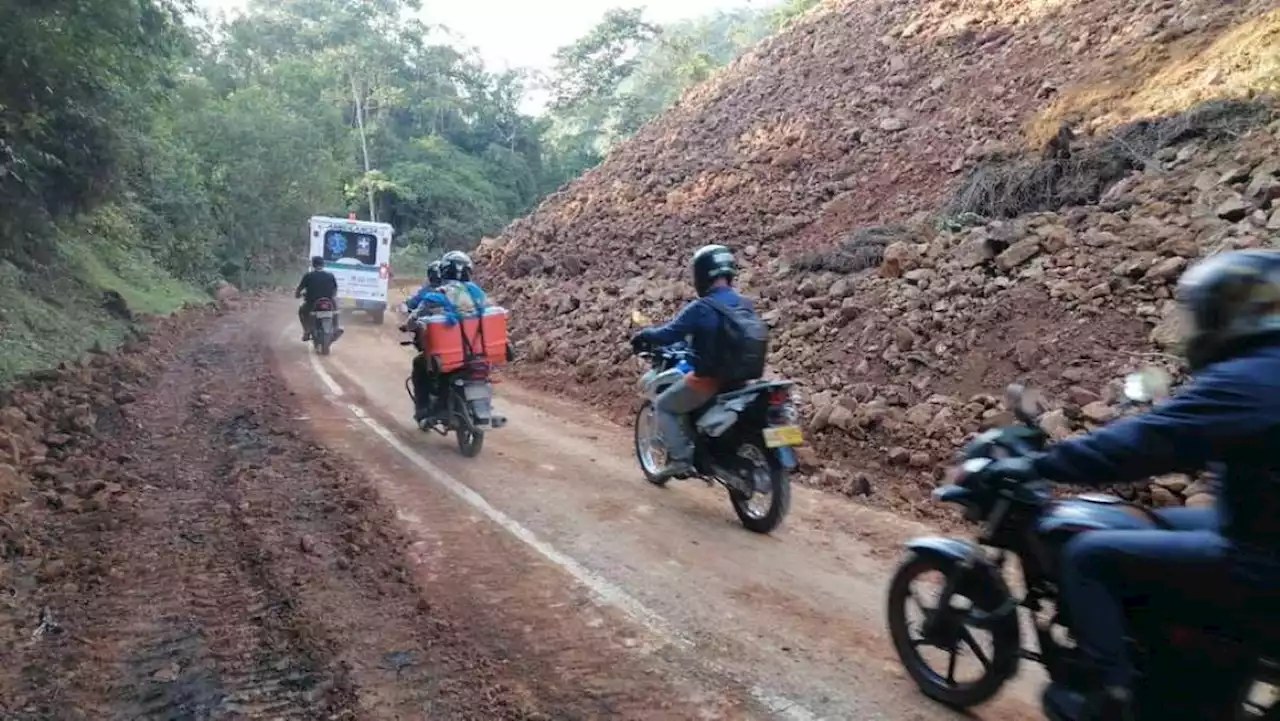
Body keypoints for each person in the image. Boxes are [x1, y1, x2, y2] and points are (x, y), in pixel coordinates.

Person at [971, 250, 1280, 721]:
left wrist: (1045, 463)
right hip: (1257, 522)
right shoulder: (1264, 369)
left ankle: (1106, 695)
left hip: (1262, 559)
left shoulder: (1248, 378)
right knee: (1156, 520)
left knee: (1087, 556)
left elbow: (1144, 444)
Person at [629, 244, 767, 483]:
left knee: (664, 405)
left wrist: (644, 336)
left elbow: (668, 333)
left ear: (701, 274)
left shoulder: (701, 308)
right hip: (741, 382)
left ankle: (681, 458)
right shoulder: (746, 304)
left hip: (708, 381)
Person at [295, 255, 340, 342]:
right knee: (335, 311)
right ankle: (336, 328)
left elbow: (300, 288)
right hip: (328, 301)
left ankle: (307, 331)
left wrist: (297, 295)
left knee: (302, 312)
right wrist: (331, 296)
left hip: (312, 303)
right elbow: (335, 289)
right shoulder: (330, 276)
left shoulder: (308, 276)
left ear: (313, 265)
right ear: (323, 265)